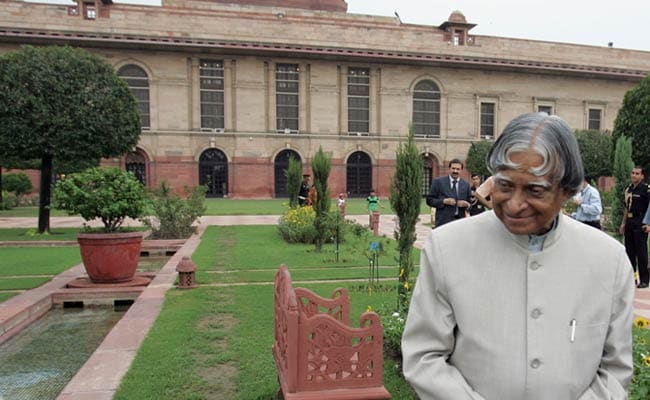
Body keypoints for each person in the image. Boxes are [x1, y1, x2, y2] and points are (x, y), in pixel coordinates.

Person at [402, 112, 634, 400]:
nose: (514, 204)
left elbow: (614, 369)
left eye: (535, 190)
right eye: (505, 185)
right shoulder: (449, 247)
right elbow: (424, 356)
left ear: (566, 192)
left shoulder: (608, 260)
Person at [619, 166, 650, 288]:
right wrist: (623, 223)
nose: (634, 175)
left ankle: (644, 279)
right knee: (629, 251)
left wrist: (648, 224)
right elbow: (627, 208)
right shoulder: (629, 189)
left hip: (641, 221)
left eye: (637, 173)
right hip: (630, 222)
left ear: (642, 176)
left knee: (641, 252)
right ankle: (632, 277)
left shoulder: (646, 189)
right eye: (632, 173)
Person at [426, 159, 471, 227]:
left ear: (461, 170)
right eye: (453, 168)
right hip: (443, 222)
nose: (455, 171)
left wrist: (467, 204)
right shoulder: (438, 182)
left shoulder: (466, 185)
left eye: (458, 169)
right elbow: (429, 200)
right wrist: (443, 201)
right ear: (449, 168)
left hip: (460, 223)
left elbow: (470, 204)